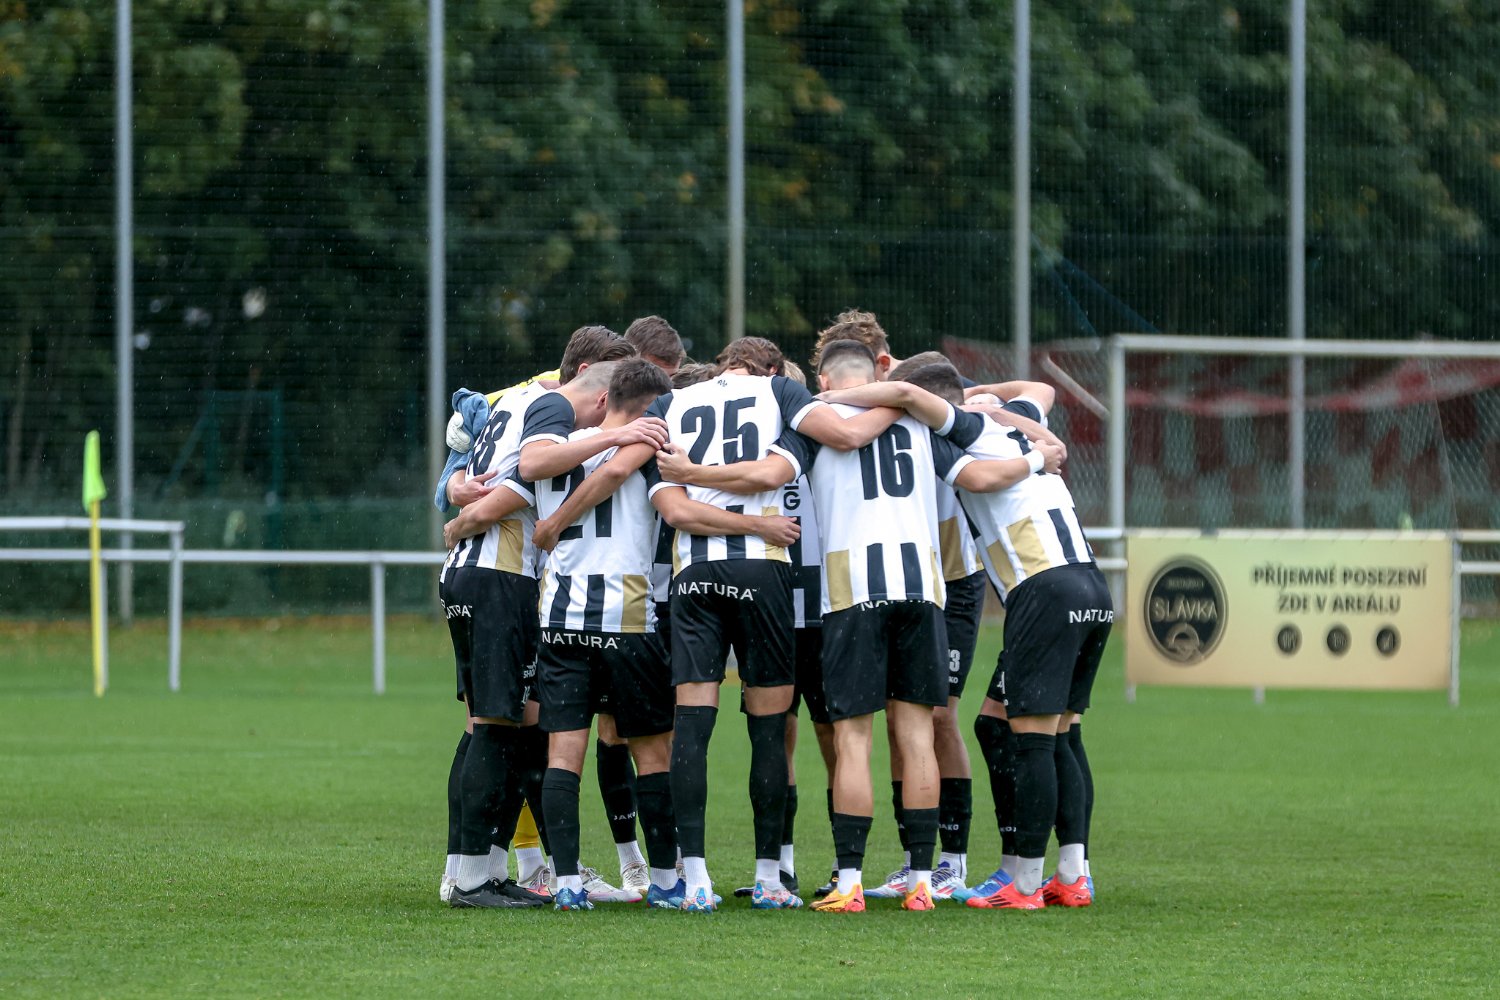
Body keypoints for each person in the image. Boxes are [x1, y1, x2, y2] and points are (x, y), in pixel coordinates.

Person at [439, 327, 643, 908]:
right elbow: (526, 476)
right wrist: (468, 516)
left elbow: (466, 474)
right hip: (498, 575)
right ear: (595, 388)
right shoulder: (551, 407)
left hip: (476, 573)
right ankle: (471, 880)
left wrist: (459, 503)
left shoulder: (511, 398)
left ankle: (484, 869)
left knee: (512, 724)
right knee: (495, 725)